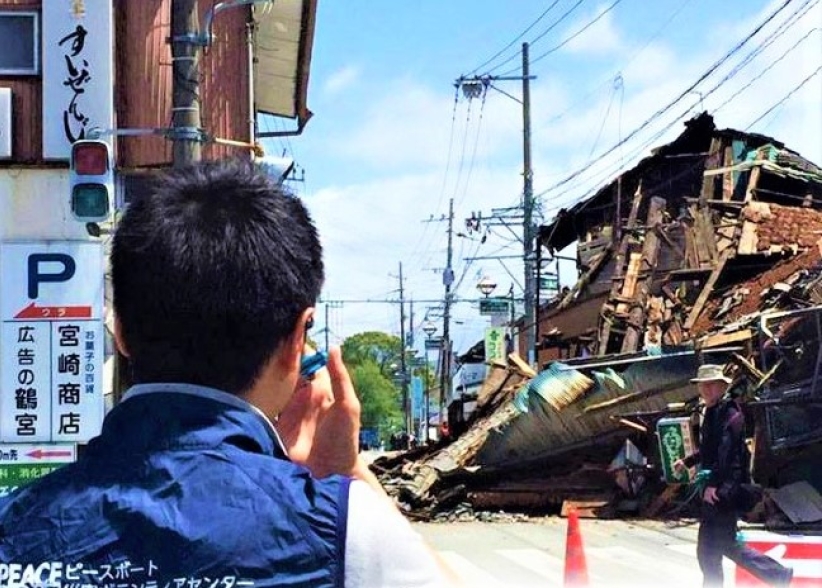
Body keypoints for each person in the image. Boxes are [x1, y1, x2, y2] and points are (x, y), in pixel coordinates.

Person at [0, 160, 457, 587]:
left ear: (119, 330)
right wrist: (349, 473)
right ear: (298, 339)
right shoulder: (343, 532)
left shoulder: (13, 523)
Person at [674, 364, 793, 588]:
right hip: (718, 488)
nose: (706, 390)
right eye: (703, 386)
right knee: (711, 549)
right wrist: (688, 461)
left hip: (724, 490)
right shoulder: (711, 412)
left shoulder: (731, 414)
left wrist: (713, 486)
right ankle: (777, 575)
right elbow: (711, 450)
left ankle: (778, 575)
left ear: (721, 387)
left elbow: (726, 456)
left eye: (711, 385)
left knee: (719, 547)